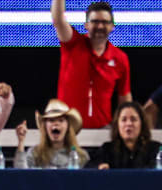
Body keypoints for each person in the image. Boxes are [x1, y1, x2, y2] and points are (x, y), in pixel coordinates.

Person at [52, 0, 131, 128]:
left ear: (112, 26)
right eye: (95, 22)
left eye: (105, 22)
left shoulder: (120, 58)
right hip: (67, 129)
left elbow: (124, 97)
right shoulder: (72, 44)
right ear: (86, 25)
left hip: (103, 131)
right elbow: (58, 20)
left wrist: (122, 126)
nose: (100, 26)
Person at [14, 99, 90, 169]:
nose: (56, 124)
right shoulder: (34, 153)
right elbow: (21, 177)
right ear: (45, 126)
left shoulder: (81, 156)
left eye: (61, 120)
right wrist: (21, 141)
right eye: (51, 120)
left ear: (68, 126)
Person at [86, 101, 162, 169]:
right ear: (117, 125)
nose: (129, 124)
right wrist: (99, 167)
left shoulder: (155, 149)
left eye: (133, 119)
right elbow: (88, 168)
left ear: (142, 124)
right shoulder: (107, 149)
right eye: (124, 120)